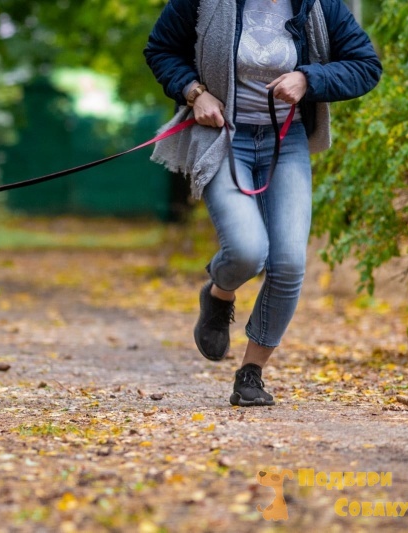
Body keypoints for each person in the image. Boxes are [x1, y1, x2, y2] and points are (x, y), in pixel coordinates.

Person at [144, 0, 381, 406]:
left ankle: (251, 373)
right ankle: (219, 293)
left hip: (286, 141)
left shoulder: (319, 5)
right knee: (247, 252)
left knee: (288, 261)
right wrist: (194, 92)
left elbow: (365, 65)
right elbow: (161, 49)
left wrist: (309, 79)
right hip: (223, 136)